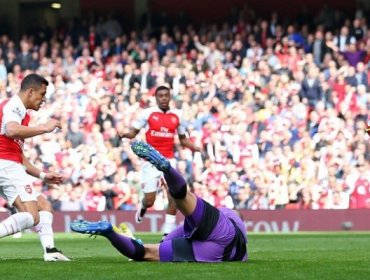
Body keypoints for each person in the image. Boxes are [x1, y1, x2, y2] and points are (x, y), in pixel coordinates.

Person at [71, 141, 247, 262]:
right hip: (212, 251)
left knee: (183, 196)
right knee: (145, 253)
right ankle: (109, 232)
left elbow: (181, 207)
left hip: (221, 232)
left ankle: (167, 168)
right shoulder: (241, 240)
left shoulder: (229, 215)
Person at [0, 73, 69, 261]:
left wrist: (44, 176)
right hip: (5, 164)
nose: (43, 100)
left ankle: (50, 251)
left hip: (9, 164)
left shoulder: (22, 115)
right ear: (30, 92)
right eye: (42, 94)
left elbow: (20, 157)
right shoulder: (13, 106)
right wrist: (44, 128)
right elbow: (11, 130)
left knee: (44, 205)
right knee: (32, 216)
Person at [119, 86, 201, 235]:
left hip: (169, 161)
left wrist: (195, 147)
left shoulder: (177, 116)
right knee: (150, 200)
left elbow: (183, 140)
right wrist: (124, 134)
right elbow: (133, 132)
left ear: (170, 97)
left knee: (173, 195)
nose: (163, 98)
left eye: (166, 96)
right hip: (151, 161)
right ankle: (143, 206)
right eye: (160, 96)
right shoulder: (148, 113)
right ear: (156, 98)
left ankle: (167, 233)